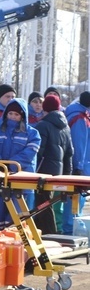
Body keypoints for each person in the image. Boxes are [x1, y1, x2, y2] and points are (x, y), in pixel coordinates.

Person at [0, 98, 40, 230]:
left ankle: (18, 244)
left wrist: (12, 164)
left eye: (16, 114)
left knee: (18, 218)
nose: (13, 117)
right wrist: (0, 164)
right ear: (6, 114)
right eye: (10, 114)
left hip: (21, 182)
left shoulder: (33, 134)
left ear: (22, 116)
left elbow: (29, 153)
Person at [33, 94, 73, 234]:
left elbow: (38, 152)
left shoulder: (43, 125)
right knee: (48, 203)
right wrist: (67, 175)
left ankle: (49, 234)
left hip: (43, 171)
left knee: (42, 204)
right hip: (58, 171)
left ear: (45, 107)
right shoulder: (65, 127)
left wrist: (32, 171)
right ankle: (44, 232)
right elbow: (69, 153)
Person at [61, 91, 90, 233]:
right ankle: (71, 231)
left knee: (75, 200)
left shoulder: (78, 115)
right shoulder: (81, 118)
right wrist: (78, 167)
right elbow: (79, 144)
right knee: (75, 200)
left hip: (81, 165)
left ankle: (71, 229)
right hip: (81, 167)